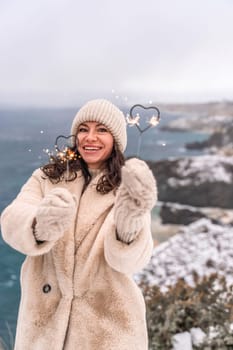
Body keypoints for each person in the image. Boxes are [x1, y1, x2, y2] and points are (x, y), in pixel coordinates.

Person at [1, 99, 157, 350]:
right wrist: (40, 225)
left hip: (108, 333)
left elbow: (130, 262)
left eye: (102, 130)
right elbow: (11, 221)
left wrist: (128, 223)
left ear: (116, 139)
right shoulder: (46, 177)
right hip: (42, 331)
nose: (90, 137)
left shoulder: (128, 188)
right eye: (83, 129)